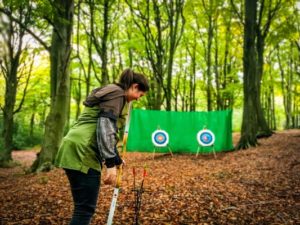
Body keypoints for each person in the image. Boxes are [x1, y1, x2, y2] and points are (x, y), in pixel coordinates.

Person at [55, 68, 149, 225]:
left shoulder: (112, 92)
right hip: (84, 151)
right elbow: (104, 128)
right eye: (141, 94)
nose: (139, 98)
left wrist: (116, 158)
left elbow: (107, 131)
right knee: (84, 209)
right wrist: (110, 163)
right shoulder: (118, 94)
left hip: (73, 147)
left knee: (81, 207)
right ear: (134, 86)